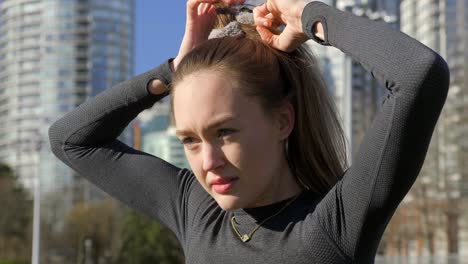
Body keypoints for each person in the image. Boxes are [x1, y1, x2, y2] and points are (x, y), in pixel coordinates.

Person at [48, 0, 449, 263]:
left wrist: (305, 16)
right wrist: (175, 71)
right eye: (189, 139)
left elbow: (418, 74)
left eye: (225, 132)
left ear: (282, 120)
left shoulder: (334, 225)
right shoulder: (194, 211)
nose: (208, 163)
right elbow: (71, 139)